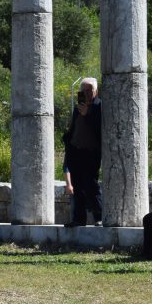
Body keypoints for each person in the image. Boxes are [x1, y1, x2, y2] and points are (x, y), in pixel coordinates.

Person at [63, 77, 102, 227]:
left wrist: (88, 114)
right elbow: (75, 126)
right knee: (77, 187)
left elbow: (101, 128)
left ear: (96, 91)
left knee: (91, 185)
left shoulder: (99, 107)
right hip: (75, 151)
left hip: (91, 153)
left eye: (89, 90)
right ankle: (79, 219)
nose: (86, 94)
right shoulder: (78, 107)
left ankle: (99, 216)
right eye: (83, 91)